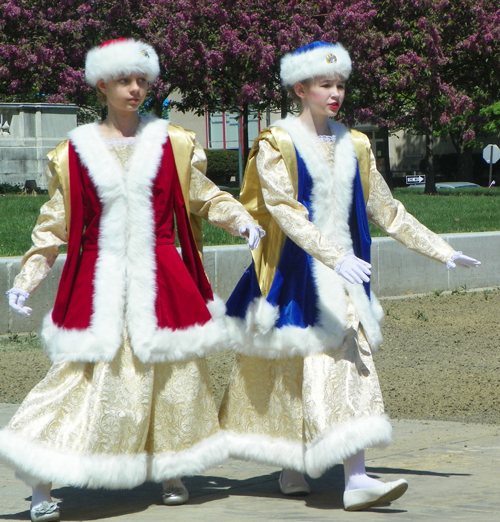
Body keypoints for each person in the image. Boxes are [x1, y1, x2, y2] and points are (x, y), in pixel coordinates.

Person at [1, 38, 263, 522]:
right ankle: (39, 484)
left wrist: (240, 219)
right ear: (101, 84)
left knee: (173, 374)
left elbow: (204, 196)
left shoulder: (174, 142)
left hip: (163, 275)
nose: (136, 88)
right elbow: (52, 226)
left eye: (142, 80)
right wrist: (28, 277)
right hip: (97, 284)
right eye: (125, 80)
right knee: (76, 378)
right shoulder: (72, 152)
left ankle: (173, 470)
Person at [219, 41, 481, 511]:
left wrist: (441, 250)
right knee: (289, 365)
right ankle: (292, 461)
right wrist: (332, 256)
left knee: (345, 360)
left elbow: (388, 209)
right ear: (301, 88)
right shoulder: (276, 143)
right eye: (325, 84)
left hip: (344, 278)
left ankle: (355, 476)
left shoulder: (356, 144)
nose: (336, 92)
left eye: (340, 84)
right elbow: (284, 210)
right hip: (295, 269)